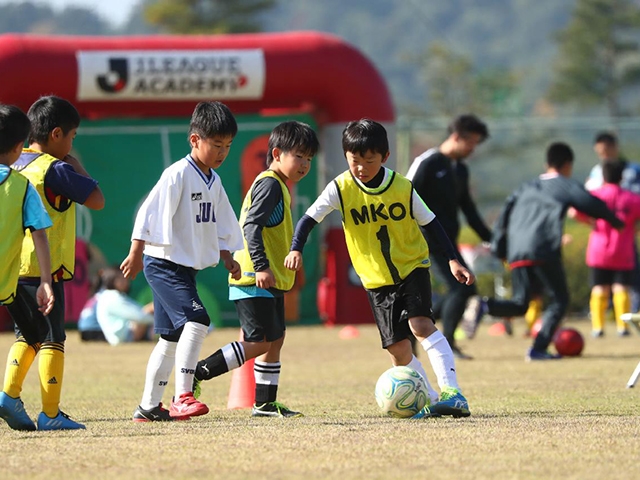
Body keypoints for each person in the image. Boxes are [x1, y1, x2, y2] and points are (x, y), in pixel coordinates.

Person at [286, 119, 474, 418]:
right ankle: (431, 398)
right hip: (375, 279)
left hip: (411, 267)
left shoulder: (401, 187)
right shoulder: (340, 187)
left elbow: (432, 224)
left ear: (384, 157)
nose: (360, 167)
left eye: (368, 160)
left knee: (420, 326)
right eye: (354, 160)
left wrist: (453, 259)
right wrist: (296, 247)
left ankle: (454, 393)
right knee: (398, 350)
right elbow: (309, 219)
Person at [121, 101, 244, 423]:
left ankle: (148, 406)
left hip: (182, 267)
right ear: (194, 140)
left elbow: (220, 221)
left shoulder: (213, 181)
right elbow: (147, 213)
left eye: (228, 146)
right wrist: (135, 253)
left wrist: (227, 255)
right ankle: (183, 397)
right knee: (198, 320)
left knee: (171, 337)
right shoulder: (177, 174)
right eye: (216, 145)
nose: (222, 152)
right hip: (162, 263)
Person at [193, 120, 319, 418]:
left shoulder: (281, 186)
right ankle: (198, 371)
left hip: (269, 279)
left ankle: (264, 403)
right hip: (253, 278)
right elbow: (251, 226)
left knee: (275, 340)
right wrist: (262, 267)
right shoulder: (270, 185)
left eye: (309, 159)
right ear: (277, 153)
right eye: (298, 156)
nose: (304, 164)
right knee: (258, 342)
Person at [0, 96, 104, 431]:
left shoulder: (16, 165)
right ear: (57, 134)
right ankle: (50, 413)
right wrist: (76, 164)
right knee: (53, 339)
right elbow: (97, 201)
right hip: (46, 268)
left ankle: (9, 395)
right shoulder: (56, 169)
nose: (73, 143)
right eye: (73, 136)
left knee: (26, 336)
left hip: (15, 266)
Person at [475, 143, 623, 360]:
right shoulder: (564, 184)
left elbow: (505, 215)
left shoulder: (525, 187)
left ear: (547, 164)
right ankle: (538, 348)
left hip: (517, 251)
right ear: (568, 165)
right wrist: (615, 221)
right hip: (543, 248)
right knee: (560, 300)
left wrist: (499, 247)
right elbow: (590, 203)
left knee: (521, 303)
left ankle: (484, 305)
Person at [406, 114, 491, 359]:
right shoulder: (429, 162)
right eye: (471, 142)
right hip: (425, 239)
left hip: (448, 242)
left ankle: (414, 327)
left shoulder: (460, 170)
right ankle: (448, 344)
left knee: (461, 289)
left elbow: (469, 209)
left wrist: (491, 237)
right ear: (456, 137)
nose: (473, 148)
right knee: (460, 288)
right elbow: (404, 196)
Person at [0, 105, 57, 431]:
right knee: (35, 333)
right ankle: (9, 396)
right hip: (7, 283)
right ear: (20, 146)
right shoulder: (21, 187)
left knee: (32, 332)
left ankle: (10, 398)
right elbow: (40, 234)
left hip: (8, 285)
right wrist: (46, 282)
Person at [575, 161, 640, 337]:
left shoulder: (595, 196)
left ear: (602, 176)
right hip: (623, 249)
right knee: (621, 288)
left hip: (598, 250)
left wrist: (590, 222)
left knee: (599, 288)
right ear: (622, 177)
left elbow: (574, 212)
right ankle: (623, 327)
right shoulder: (632, 198)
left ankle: (598, 327)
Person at [585, 131, 640, 313]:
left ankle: (631, 314)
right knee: (603, 282)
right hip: (603, 234)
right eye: (600, 152)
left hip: (626, 233)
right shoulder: (596, 172)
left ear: (615, 148)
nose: (604, 155)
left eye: (607, 150)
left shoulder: (633, 171)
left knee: (629, 279)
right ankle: (608, 318)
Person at [92, 266, 154, 345]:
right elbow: (140, 316)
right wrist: (157, 319)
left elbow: (139, 311)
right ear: (111, 280)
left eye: (125, 278)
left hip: (118, 337)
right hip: (122, 337)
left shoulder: (112, 295)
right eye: (120, 279)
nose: (125, 281)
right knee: (145, 316)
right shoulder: (112, 297)